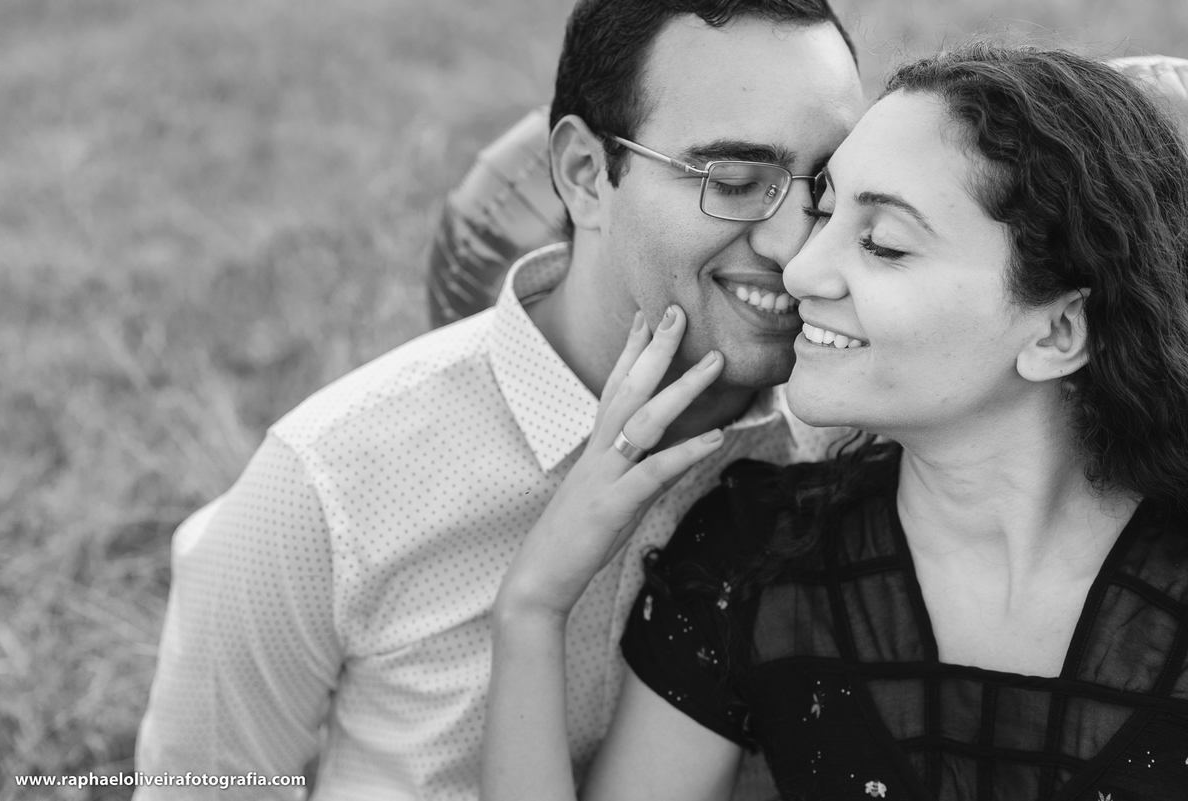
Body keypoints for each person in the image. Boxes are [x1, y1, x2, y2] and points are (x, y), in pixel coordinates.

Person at [134, 1, 864, 798]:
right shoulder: (326, 488)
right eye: (733, 181)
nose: (798, 246)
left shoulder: (842, 455)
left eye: (828, 183)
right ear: (586, 175)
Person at [483, 42, 1188, 801]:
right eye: (825, 212)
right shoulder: (752, 561)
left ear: (1056, 333)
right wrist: (531, 607)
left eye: (882, 245)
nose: (799, 269)